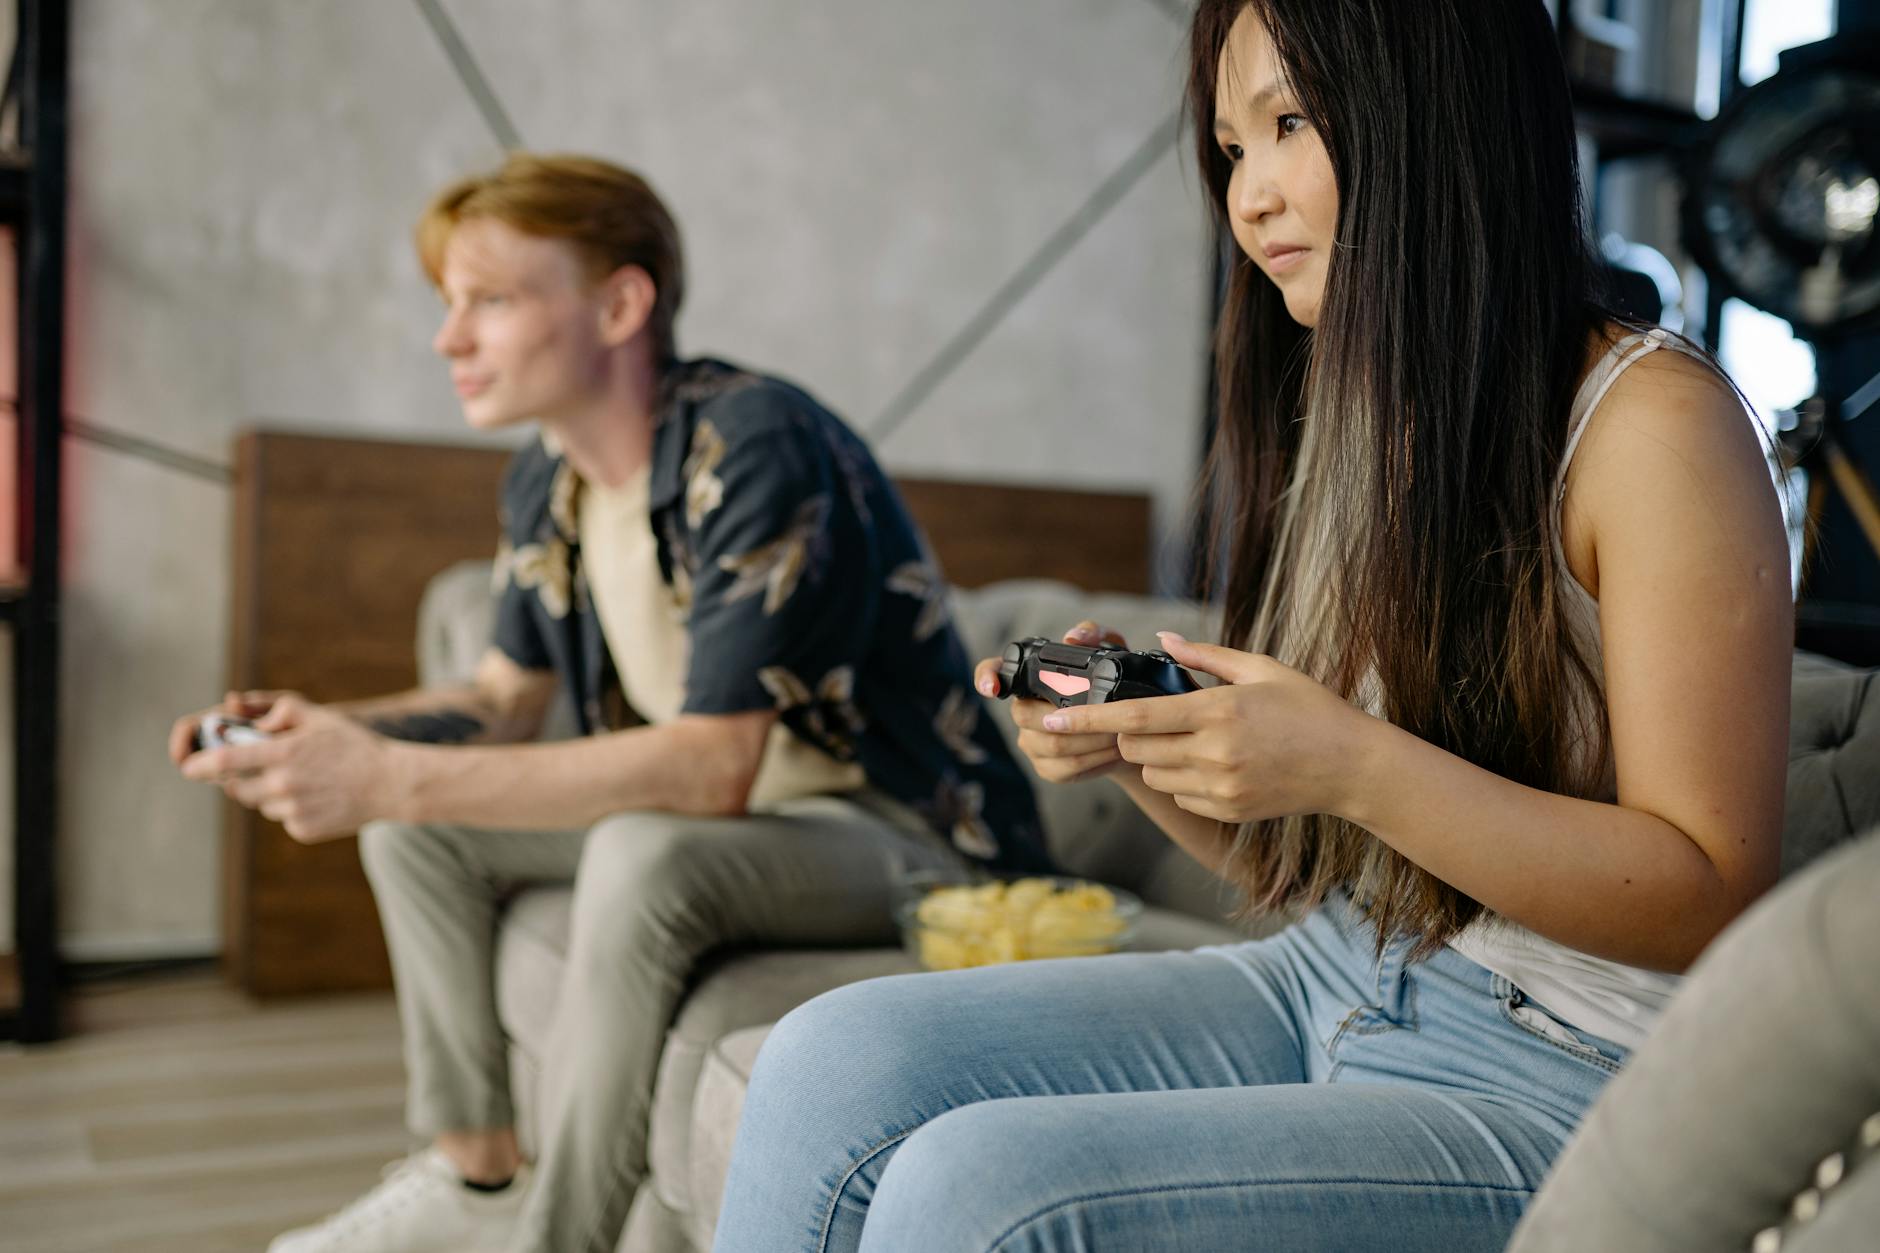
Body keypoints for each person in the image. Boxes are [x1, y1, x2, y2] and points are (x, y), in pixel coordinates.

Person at [709, 2, 1793, 1249]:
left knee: (978, 1193)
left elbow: (1709, 892)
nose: (1249, 196)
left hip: (1569, 1076)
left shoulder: (1652, 425)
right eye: (1231, 148)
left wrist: (1349, 759)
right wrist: (1145, 749)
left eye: (1287, 124)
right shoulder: (1372, 415)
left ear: (1433, 116)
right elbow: (1311, 862)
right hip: (1335, 967)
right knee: (830, 1059)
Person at [169, 152, 1050, 1253]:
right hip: (754, 829)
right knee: (417, 831)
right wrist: (344, 732)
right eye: (449, 304)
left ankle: (561, 1239)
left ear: (621, 303)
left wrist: (385, 769)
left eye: (488, 300)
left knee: (638, 848)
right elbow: (500, 699)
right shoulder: (549, 479)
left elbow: (706, 768)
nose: (450, 338)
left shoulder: (758, 442)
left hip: (911, 832)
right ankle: (476, 1178)